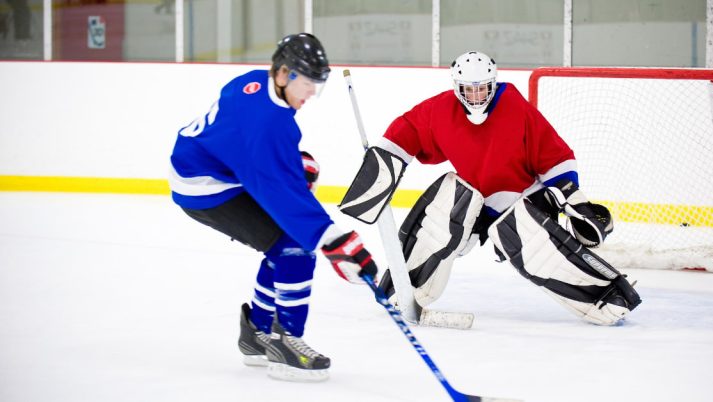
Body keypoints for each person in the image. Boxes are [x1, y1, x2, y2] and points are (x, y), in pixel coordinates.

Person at [339, 51, 640, 326]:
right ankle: (405, 289)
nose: (476, 95)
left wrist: (575, 201)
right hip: (477, 203)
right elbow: (408, 131)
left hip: (521, 200)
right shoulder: (442, 110)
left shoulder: (515, 107)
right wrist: (382, 163)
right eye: (469, 89)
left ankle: (606, 295)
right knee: (444, 207)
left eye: (482, 88)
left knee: (532, 244)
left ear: (492, 84)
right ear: (458, 87)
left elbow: (553, 154)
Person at [168, 33, 378, 382]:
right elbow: (278, 191)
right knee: (295, 247)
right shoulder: (266, 126)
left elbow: (263, 164)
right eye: (308, 82)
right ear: (282, 75)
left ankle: (257, 333)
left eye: (317, 84)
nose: (312, 92)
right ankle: (286, 343)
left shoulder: (255, 83)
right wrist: (333, 239)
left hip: (211, 164)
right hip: (204, 186)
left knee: (288, 224)